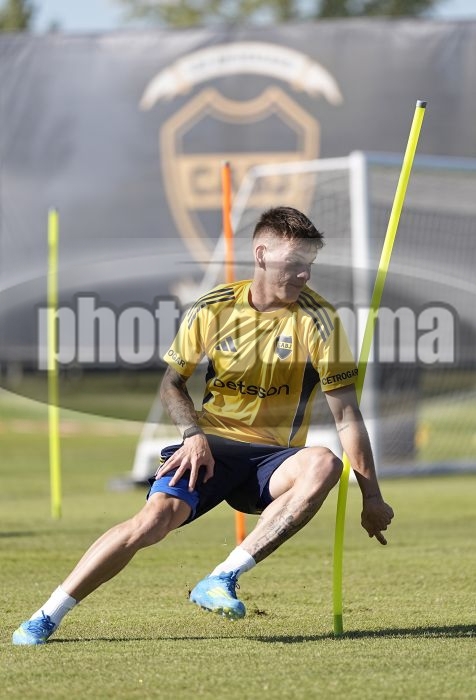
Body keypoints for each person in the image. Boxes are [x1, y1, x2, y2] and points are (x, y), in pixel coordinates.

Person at [12, 206, 394, 645]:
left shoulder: (320, 321)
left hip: (273, 461)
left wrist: (372, 496)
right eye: (294, 263)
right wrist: (193, 437)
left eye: (309, 264)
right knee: (151, 523)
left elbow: (346, 415)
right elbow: (171, 385)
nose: (304, 275)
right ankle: (46, 615)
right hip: (210, 446)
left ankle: (222, 578)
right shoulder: (214, 307)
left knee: (324, 463)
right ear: (262, 255)